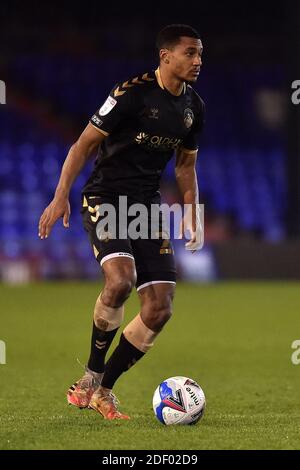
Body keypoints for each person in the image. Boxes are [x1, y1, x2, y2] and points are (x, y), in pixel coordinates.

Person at [38, 24, 205, 420]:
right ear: (165, 56)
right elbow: (83, 145)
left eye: (200, 54)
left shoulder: (193, 107)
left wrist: (191, 209)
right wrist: (60, 194)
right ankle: (90, 378)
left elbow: (186, 164)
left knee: (160, 307)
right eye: (189, 53)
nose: (197, 61)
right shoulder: (131, 94)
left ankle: (103, 390)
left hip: (146, 207)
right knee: (120, 280)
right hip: (106, 198)